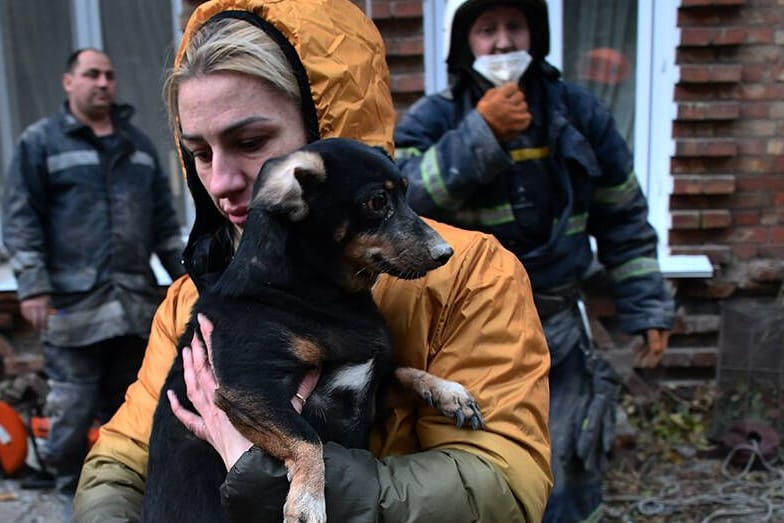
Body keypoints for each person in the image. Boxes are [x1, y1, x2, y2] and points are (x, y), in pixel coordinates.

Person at [72, 1, 553, 522]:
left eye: (250, 142)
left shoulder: (468, 278)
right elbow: (119, 463)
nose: (220, 182)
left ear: (330, 129)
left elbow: (501, 486)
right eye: (201, 153)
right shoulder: (195, 296)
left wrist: (267, 470)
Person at [393, 1, 675, 522]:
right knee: (478, 468)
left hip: (558, 329)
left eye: (515, 26)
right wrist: (480, 137)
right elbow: (400, 207)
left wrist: (647, 307)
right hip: (468, 336)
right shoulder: (437, 119)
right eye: (487, 29)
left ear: (536, 36)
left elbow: (623, 216)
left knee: (568, 466)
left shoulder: (579, 113)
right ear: (464, 44)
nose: (503, 43)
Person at [1, 48, 185, 517]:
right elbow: (21, 219)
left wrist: (189, 276)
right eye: (91, 74)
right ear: (68, 82)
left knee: (131, 404)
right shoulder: (41, 143)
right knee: (71, 405)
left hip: (134, 303)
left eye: (109, 75)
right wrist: (33, 285)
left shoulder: (138, 146)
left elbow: (165, 222)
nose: (103, 83)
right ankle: (67, 487)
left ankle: (126, 488)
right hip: (72, 305)